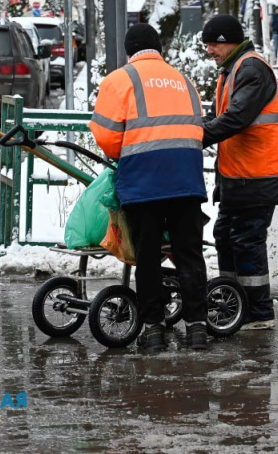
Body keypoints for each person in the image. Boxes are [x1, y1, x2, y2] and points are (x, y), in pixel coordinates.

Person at [89, 24, 209, 352]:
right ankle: (198, 327)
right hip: (186, 180)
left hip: (144, 183)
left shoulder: (119, 80)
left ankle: (153, 328)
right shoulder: (183, 80)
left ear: (130, 51)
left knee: (148, 256)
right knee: (188, 253)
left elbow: (106, 136)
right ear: (159, 49)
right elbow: (198, 127)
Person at [201, 14, 278, 330]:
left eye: (213, 44)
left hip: (257, 176)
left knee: (246, 240)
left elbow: (236, 119)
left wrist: (195, 137)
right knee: (225, 235)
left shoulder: (251, 69)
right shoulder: (232, 70)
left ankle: (258, 313)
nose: (209, 51)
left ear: (228, 41)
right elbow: (222, 120)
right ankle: (231, 303)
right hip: (239, 176)